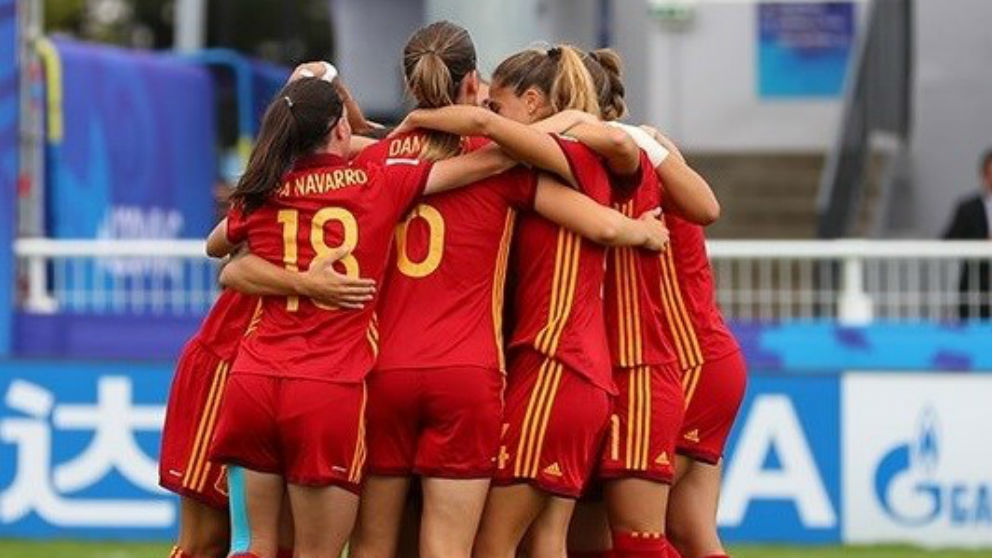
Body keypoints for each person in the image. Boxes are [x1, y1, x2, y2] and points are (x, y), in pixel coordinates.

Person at [201, 76, 538, 558]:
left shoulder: (263, 189)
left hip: (253, 381)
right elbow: (495, 159)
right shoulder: (377, 181)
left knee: (251, 547)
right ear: (341, 129)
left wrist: (292, 273)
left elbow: (221, 254)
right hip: (324, 388)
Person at [396, 44, 650, 558]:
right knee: (546, 540)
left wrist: (417, 118)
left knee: (493, 544)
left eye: (500, 103)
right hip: (572, 367)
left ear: (533, 102)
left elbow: (491, 133)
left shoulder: (571, 155)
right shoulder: (573, 152)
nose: (490, 114)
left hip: (556, 362)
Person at [159, 252, 372, 558]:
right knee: (207, 541)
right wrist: (304, 284)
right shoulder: (278, 203)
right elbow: (223, 252)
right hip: (231, 356)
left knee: (286, 542)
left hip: (312, 372)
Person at [943, 149, 992, 320]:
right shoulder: (967, 209)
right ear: (984, 176)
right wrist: (981, 244)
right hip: (975, 290)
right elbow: (947, 241)